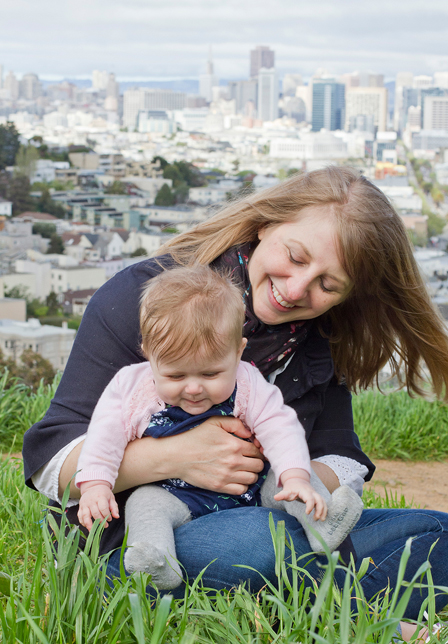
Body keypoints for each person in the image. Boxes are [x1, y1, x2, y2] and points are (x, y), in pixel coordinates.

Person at [23, 167, 448, 631]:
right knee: (263, 544)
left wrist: (280, 478)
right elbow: (50, 463)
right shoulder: (147, 298)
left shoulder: (317, 335)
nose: (296, 289)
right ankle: (362, 620)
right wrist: (178, 457)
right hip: (136, 543)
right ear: (265, 224)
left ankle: (285, 603)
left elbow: (342, 461)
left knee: (437, 534)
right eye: (295, 256)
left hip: (262, 513)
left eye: (328, 285)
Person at [77, 264, 362, 589]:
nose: (194, 388)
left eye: (211, 374)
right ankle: (156, 560)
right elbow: (104, 438)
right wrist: (96, 484)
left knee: (292, 481)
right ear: (148, 354)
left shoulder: (247, 381)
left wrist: (294, 475)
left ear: (238, 351)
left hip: (250, 487)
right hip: (176, 494)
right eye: (176, 376)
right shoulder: (132, 388)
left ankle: (324, 524)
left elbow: (279, 426)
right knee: (144, 502)